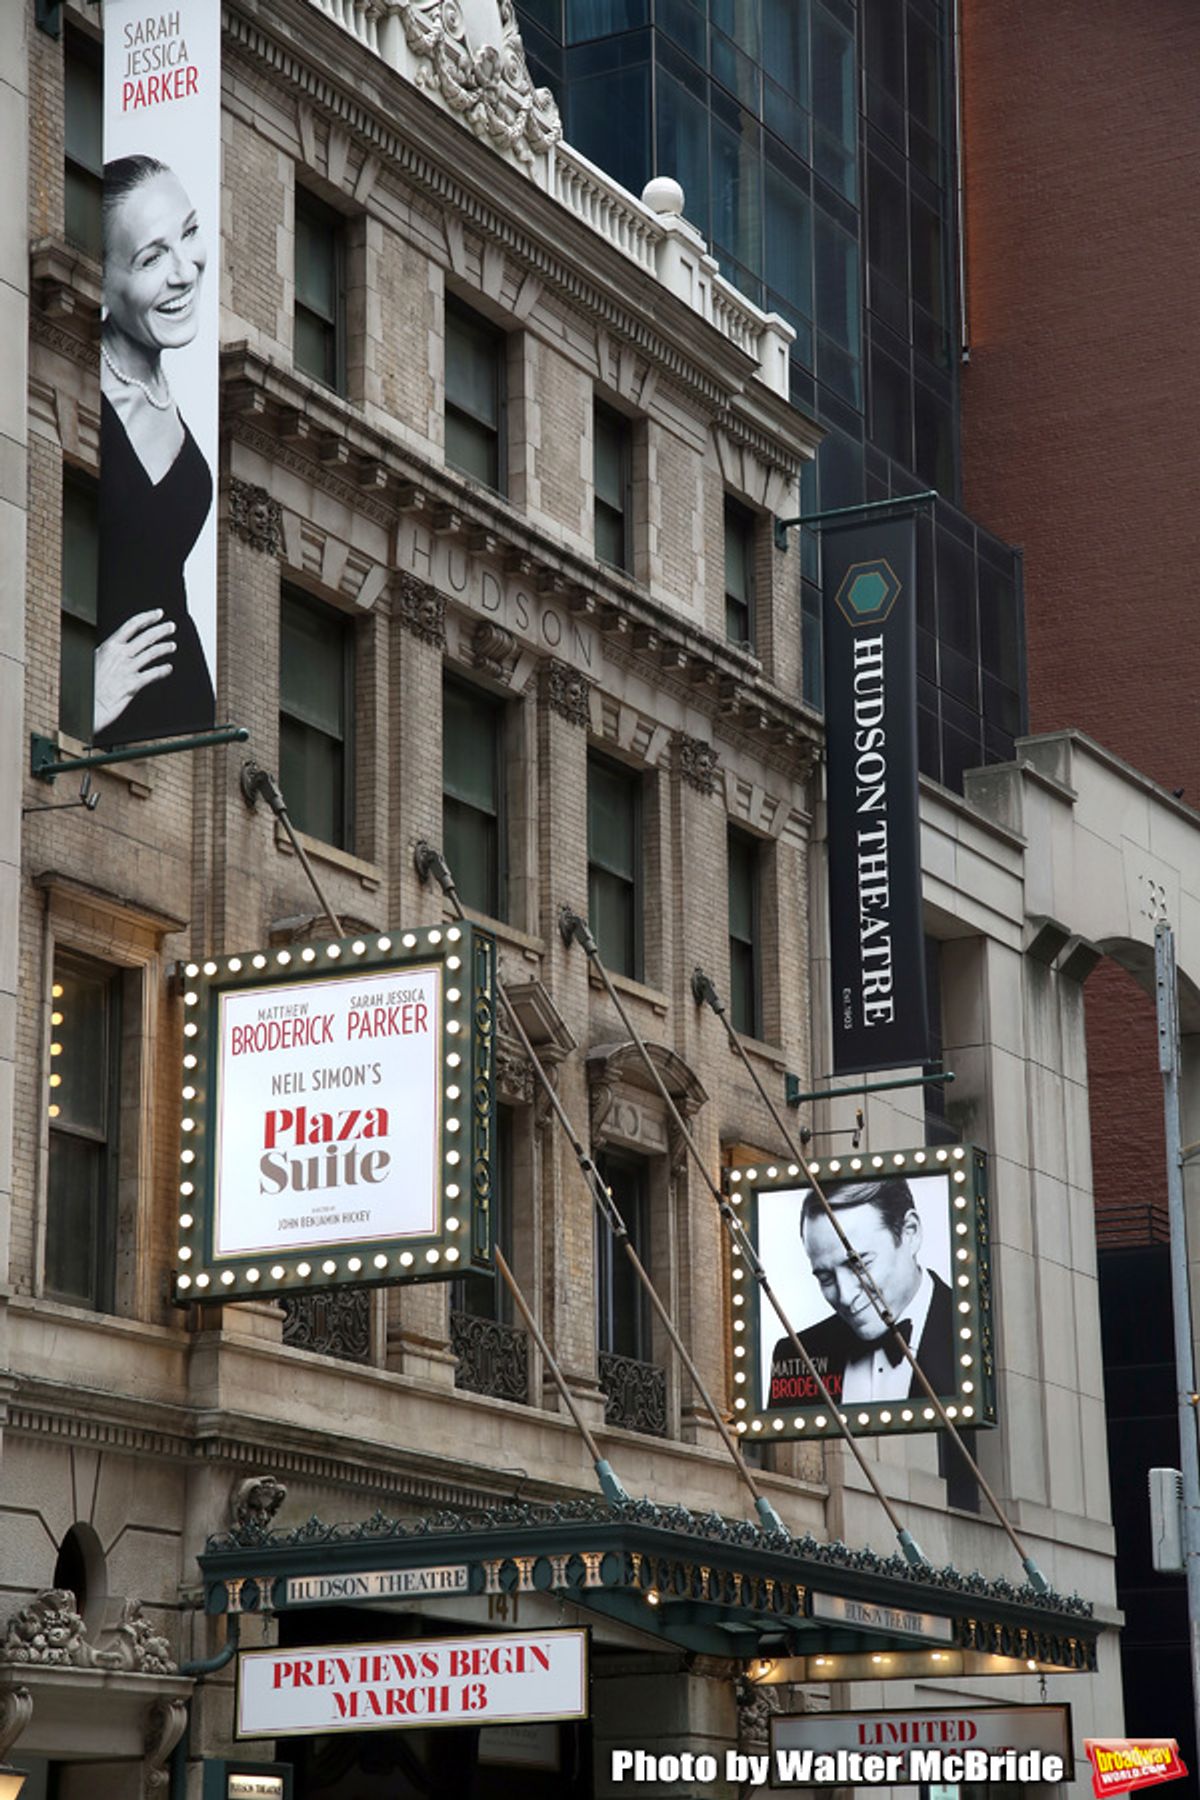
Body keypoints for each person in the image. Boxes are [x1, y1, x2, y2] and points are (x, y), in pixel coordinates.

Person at [95, 155, 214, 745]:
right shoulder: (73, 382)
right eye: (150, 257)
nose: (184, 272)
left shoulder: (172, 383)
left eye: (188, 234)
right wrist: (75, 689)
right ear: (101, 282)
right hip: (110, 734)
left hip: (185, 724)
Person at [765, 1177, 955, 1408]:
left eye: (859, 1264)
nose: (845, 1296)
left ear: (910, 1233)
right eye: (825, 1277)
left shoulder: (974, 1334)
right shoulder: (795, 1356)